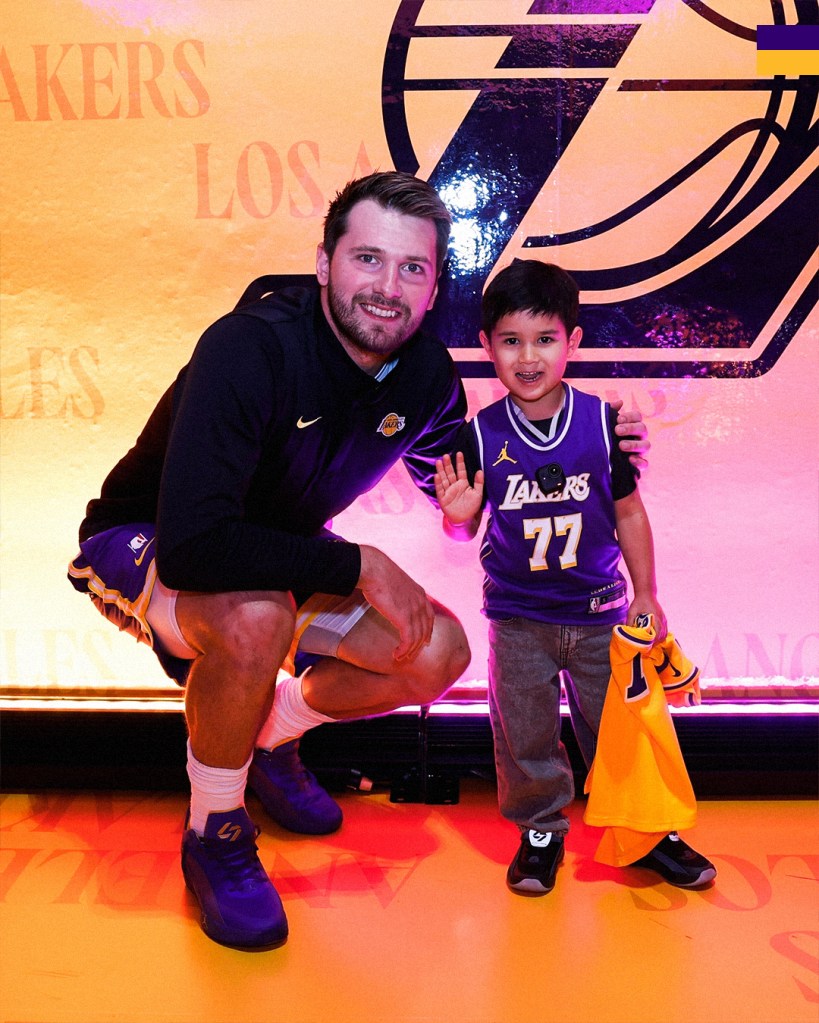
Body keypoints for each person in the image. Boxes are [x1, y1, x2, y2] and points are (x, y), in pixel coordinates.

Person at [68, 174, 650, 950]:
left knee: (439, 648)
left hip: (285, 558)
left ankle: (265, 735)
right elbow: (195, 543)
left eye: (412, 268)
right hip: (145, 542)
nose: (386, 287)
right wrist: (360, 563)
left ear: (433, 284)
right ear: (323, 262)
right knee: (256, 614)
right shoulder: (248, 347)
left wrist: (602, 443)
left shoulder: (423, 378)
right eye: (367, 259)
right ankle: (215, 825)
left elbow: (469, 493)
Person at [434, 259, 716, 897]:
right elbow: (463, 528)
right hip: (518, 617)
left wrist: (646, 596)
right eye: (510, 341)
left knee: (624, 727)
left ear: (573, 342)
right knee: (525, 735)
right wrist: (457, 520)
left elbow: (628, 513)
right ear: (487, 347)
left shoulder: (601, 424)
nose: (527, 357)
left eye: (544, 339)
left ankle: (648, 832)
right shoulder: (478, 435)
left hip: (599, 616)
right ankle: (539, 831)